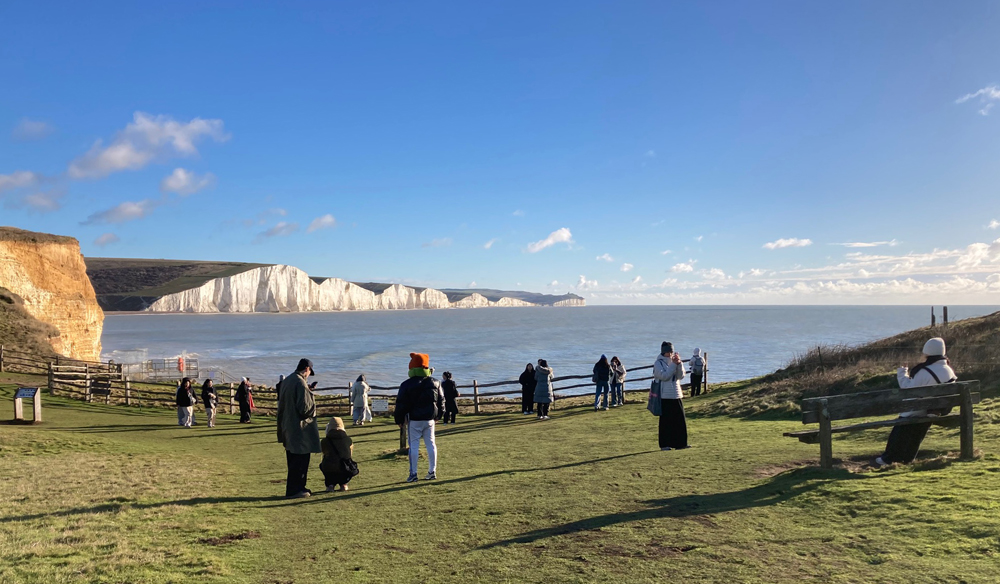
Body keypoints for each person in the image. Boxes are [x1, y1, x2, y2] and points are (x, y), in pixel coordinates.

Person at [876, 338, 957, 467]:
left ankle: (888, 459)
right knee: (917, 431)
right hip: (933, 410)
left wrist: (902, 372)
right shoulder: (949, 370)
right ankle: (907, 458)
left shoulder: (924, 371)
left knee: (900, 428)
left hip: (918, 409)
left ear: (927, 352)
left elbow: (908, 389)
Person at [394, 352, 444, 482]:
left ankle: (413, 473)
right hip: (430, 419)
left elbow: (401, 404)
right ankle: (432, 471)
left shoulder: (406, 384)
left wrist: (399, 419)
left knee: (414, 446)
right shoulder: (436, 382)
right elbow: (441, 400)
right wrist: (439, 415)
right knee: (431, 444)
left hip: (414, 419)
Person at [276, 359, 322, 498]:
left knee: (293, 460)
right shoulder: (300, 383)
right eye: (309, 372)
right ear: (307, 369)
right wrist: (311, 397)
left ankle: (296, 487)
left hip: (288, 427)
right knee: (301, 461)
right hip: (299, 429)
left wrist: (308, 391)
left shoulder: (289, 380)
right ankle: (296, 489)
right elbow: (305, 409)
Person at [652, 342, 688, 450]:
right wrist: (673, 365)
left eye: (671, 351)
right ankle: (665, 444)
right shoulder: (658, 363)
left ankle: (681, 443)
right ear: (664, 352)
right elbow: (664, 376)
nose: (670, 354)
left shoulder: (674, 362)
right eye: (669, 352)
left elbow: (680, 376)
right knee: (666, 421)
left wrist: (679, 363)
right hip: (665, 395)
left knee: (680, 420)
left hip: (676, 393)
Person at [320, 417, 355, 492]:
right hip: (344, 467)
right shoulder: (348, 440)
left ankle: (330, 485)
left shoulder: (325, 441)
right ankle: (344, 484)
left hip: (329, 467)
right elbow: (349, 454)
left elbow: (324, 452)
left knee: (325, 464)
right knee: (344, 466)